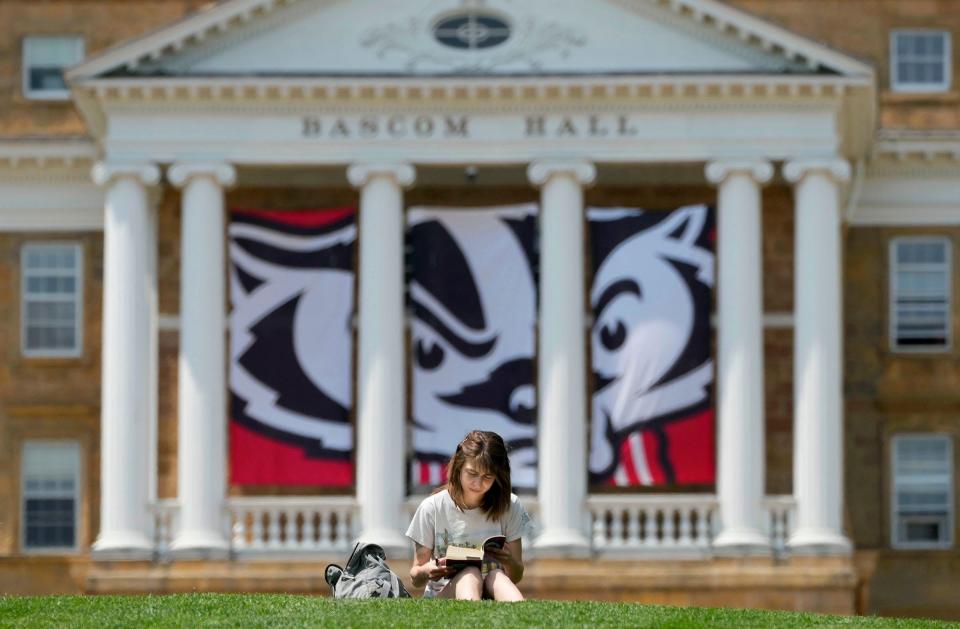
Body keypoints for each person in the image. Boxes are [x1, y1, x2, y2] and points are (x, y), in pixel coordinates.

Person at [406, 430, 530, 601]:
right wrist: (427, 570)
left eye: (487, 476)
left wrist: (509, 561)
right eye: (472, 473)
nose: (478, 484)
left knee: (497, 575)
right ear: (459, 466)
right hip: (444, 593)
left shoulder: (510, 505)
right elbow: (415, 578)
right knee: (470, 573)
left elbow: (516, 576)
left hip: (491, 588)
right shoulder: (431, 507)